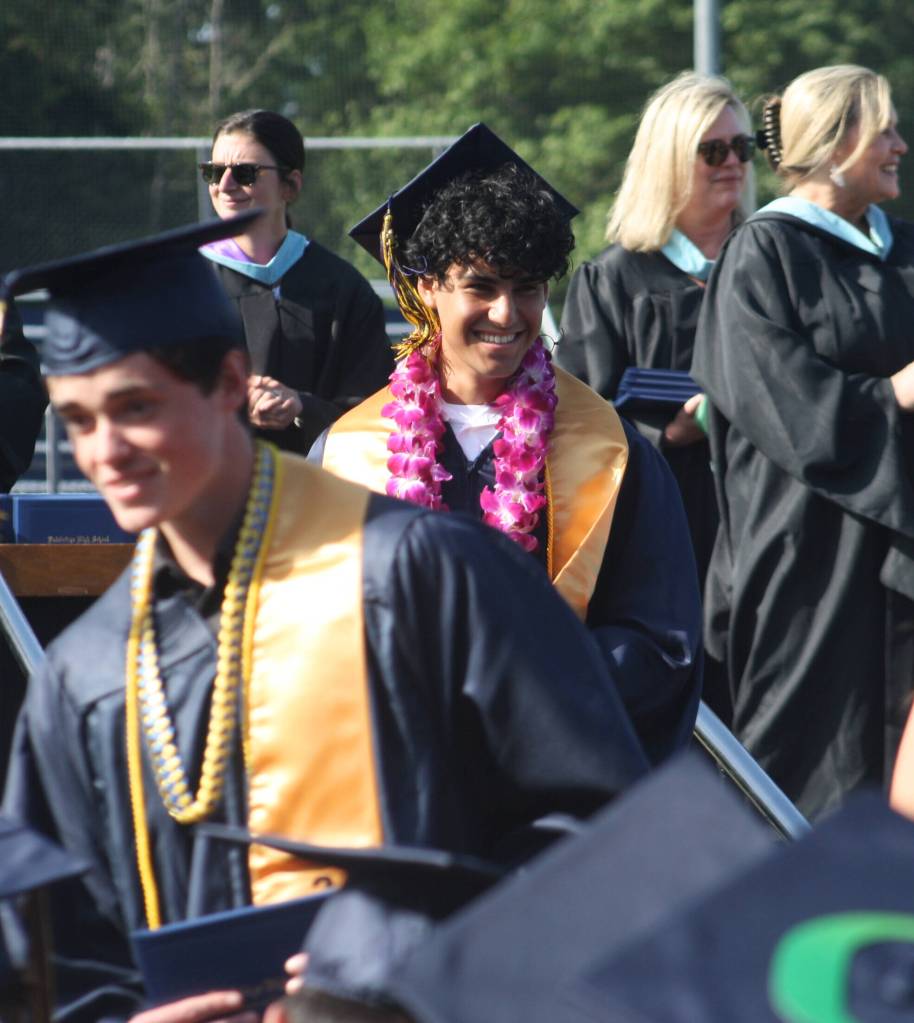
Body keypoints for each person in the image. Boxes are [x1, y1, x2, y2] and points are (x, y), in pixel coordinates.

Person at [0, 214, 648, 1022]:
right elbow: (56, 947)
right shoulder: (87, 671)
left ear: (232, 385)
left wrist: (394, 968)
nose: (106, 451)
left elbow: (604, 831)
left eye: (136, 407)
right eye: (80, 419)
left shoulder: (425, 576)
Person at [315, 123, 703, 766]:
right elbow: (308, 630)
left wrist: (532, 687)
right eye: (480, 286)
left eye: (526, 287)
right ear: (428, 287)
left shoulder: (610, 452)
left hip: (553, 788)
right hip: (394, 779)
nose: (506, 313)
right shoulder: (349, 452)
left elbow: (661, 641)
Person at [691, 65, 914, 820]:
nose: (900, 146)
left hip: (902, 556)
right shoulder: (764, 256)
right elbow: (786, 411)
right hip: (807, 556)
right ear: (837, 139)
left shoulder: (904, 250)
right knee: (804, 775)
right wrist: (897, 394)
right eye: (883, 130)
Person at [556, 72, 754, 596]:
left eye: (741, 146)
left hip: (765, 519)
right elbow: (580, 418)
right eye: (712, 150)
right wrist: (667, 437)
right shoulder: (616, 281)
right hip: (666, 528)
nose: (733, 162)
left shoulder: (770, 269)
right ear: (667, 163)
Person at [199, 109, 393, 453]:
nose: (225, 186)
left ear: (291, 185)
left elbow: (373, 406)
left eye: (245, 173)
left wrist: (304, 407)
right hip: (212, 486)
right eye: (213, 172)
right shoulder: (188, 283)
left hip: (315, 489)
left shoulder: (341, 288)